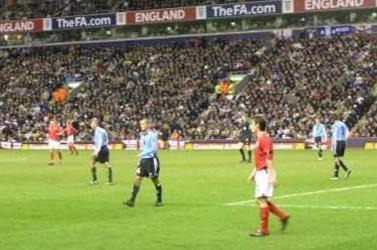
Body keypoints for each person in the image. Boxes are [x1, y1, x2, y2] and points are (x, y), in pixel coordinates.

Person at [248, 116, 290, 237]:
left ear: (257, 125)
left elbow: (268, 159)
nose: (250, 126)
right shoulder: (259, 139)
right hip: (260, 172)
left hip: (264, 173)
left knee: (261, 200)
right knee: (260, 199)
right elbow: (260, 158)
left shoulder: (265, 139)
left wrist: (272, 175)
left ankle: (264, 230)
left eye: (252, 124)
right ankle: (283, 216)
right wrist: (254, 172)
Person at [124, 119, 163, 207]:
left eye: (143, 124)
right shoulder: (142, 135)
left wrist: (143, 153)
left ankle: (159, 199)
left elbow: (154, 149)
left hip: (151, 160)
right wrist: (141, 157)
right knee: (137, 178)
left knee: (155, 180)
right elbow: (145, 147)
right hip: (143, 160)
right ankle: (131, 201)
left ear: (148, 125)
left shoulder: (152, 135)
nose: (141, 126)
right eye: (140, 124)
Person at [90, 118, 113, 185]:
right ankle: (110, 181)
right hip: (105, 148)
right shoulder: (102, 130)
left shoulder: (98, 131)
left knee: (92, 162)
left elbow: (99, 141)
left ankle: (95, 180)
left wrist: (97, 151)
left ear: (95, 124)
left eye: (92, 123)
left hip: (101, 149)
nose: (91, 124)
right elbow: (106, 139)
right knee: (106, 164)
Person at [330, 114, 352, 180]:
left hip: (337, 142)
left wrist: (333, 146)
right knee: (338, 158)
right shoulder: (343, 124)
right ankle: (346, 170)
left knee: (336, 158)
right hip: (343, 142)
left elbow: (334, 136)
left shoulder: (335, 125)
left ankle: (336, 176)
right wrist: (344, 139)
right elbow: (347, 133)